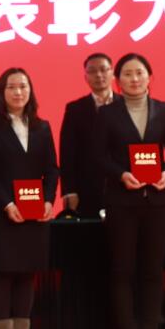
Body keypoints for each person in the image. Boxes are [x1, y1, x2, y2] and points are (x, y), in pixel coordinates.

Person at [93, 53, 165, 329]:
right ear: (117, 80)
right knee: (123, 269)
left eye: (139, 73)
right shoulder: (107, 113)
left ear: (149, 77)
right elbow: (99, 155)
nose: (134, 79)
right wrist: (121, 175)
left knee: (153, 270)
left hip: (157, 201)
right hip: (122, 201)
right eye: (127, 74)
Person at [0, 68, 58, 329]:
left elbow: (51, 169)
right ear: (2, 92)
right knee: (3, 273)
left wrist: (48, 201)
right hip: (4, 213)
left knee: (26, 273)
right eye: (12, 87)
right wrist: (7, 204)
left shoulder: (42, 127)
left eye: (23, 86)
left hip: (34, 213)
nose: (18, 92)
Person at [59, 53, 114, 218]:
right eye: (92, 71)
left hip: (123, 187)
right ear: (85, 77)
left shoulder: (126, 105)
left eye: (103, 69)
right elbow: (67, 153)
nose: (99, 75)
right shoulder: (75, 109)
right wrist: (69, 190)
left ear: (112, 73)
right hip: (86, 188)